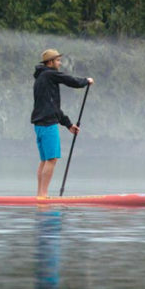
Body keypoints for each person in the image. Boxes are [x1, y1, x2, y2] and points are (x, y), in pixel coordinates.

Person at [31, 48, 92, 198]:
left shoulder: (41, 77)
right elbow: (70, 80)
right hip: (47, 124)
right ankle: (43, 195)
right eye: (58, 60)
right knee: (51, 160)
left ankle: (40, 194)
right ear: (50, 62)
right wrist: (86, 81)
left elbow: (53, 107)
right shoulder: (49, 73)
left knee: (45, 160)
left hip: (40, 123)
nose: (60, 63)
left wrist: (68, 124)